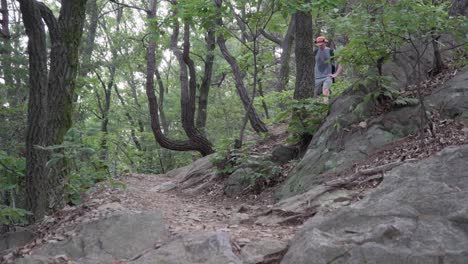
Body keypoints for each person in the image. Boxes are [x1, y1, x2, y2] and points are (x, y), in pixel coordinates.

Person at [314, 36, 343, 104]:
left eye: (321, 45)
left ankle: (325, 106)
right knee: (314, 93)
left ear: (325, 43)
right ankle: (315, 109)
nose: (320, 46)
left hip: (328, 75)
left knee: (325, 90)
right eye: (318, 45)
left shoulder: (331, 51)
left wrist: (336, 74)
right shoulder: (315, 52)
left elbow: (341, 62)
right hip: (316, 76)